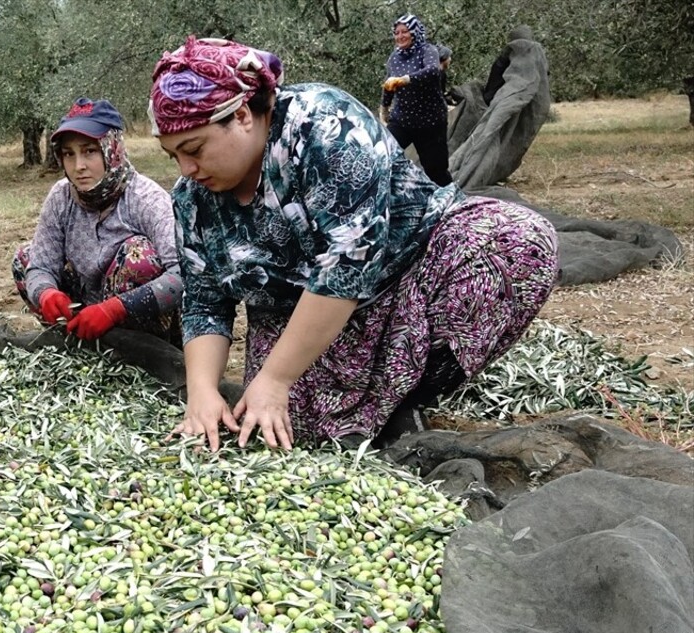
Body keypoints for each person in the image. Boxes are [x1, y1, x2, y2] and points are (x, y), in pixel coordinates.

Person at [149, 37, 558, 451]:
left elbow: (346, 266)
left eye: (194, 149)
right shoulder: (192, 199)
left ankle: (405, 398)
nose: (186, 169)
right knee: (293, 430)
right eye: (173, 157)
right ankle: (366, 406)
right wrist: (201, 393)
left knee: (520, 246)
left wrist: (275, 379)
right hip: (299, 319)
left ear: (240, 116)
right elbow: (204, 301)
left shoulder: (326, 127)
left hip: (410, 271)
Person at [13, 97, 183, 344]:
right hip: (84, 308)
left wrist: (115, 309)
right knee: (24, 260)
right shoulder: (61, 197)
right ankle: (76, 339)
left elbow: (183, 274)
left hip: (135, 320)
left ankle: (132, 350)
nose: (78, 166)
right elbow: (40, 266)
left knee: (139, 256)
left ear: (112, 149)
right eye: (69, 154)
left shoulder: (146, 198)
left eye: (89, 151)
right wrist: (46, 293)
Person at [380, 14, 453, 186]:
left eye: (404, 31)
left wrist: (406, 79)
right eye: (396, 33)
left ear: (414, 32)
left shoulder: (428, 51)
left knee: (436, 171)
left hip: (430, 123)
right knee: (383, 154)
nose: (400, 36)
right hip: (402, 121)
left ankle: (452, 203)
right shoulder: (394, 57)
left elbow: (433, 71)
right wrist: (384, 108)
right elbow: (390, 83)